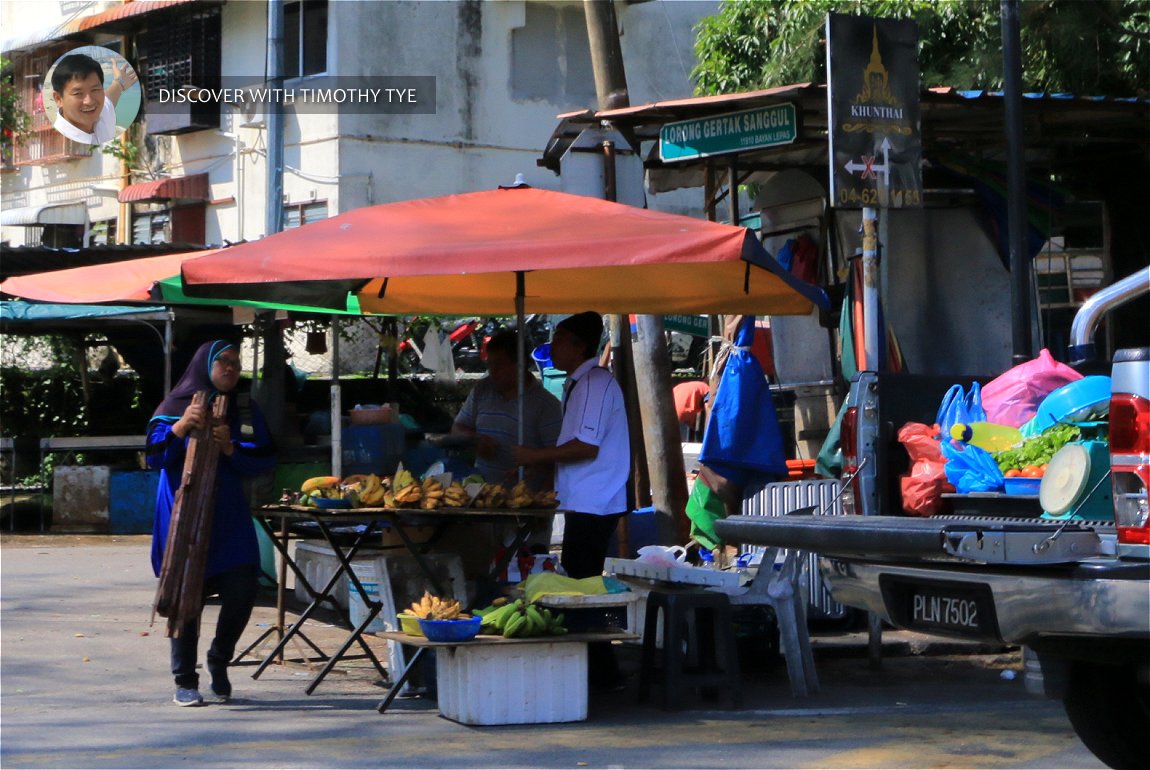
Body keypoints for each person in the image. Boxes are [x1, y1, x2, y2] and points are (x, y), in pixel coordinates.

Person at [147, 340, 275, 706]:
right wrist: (181, 428)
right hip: (183, 517)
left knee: (243, 590)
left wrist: (232, 448)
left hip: (228, 519)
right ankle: (185, 679)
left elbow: (266, 457)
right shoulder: (173, 408)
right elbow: (154, 457)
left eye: (236, 362)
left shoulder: (246, 410)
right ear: (205, 364)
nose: (231, 368)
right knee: (187, 596)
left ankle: (219, 658)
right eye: (223, 361)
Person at [513, 312, 629, 690]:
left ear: (580, 346)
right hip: (584, 499)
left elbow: (585, 446)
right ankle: (597, 670)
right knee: (581, 584)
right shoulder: (579, 384)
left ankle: (600, 673)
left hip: (596, 502)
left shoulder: (595, 383)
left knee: (582, 588)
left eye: (560, 338)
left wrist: (534, 456)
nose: (553, 345)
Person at [451, 329, 561, 489]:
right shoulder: (482, 389)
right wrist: (474, 439)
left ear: (520, 365)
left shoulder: (546, 405)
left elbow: (559, 460)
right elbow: (457, 429)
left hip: (525, 501)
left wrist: (534, 467)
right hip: (480, 493)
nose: (492, 372)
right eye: (490, 365)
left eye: (499, 365)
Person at [51, 52, 137, 145]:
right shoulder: (59, 139)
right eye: (78, 93)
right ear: (58, 99)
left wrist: (120, 82)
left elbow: (110, 97)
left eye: (95, 90)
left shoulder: (102, 113)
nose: (89, 101)